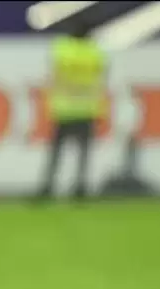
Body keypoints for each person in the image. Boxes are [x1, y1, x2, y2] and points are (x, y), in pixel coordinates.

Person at [36, 17, 107, 201]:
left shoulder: (63, 49)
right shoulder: (94, 52)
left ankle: (48, 188)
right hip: (86, 108)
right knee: (83, 154)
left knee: (56, 153)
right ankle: (80, 188)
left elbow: (53, 73)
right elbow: (101, 76)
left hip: (64, 107)